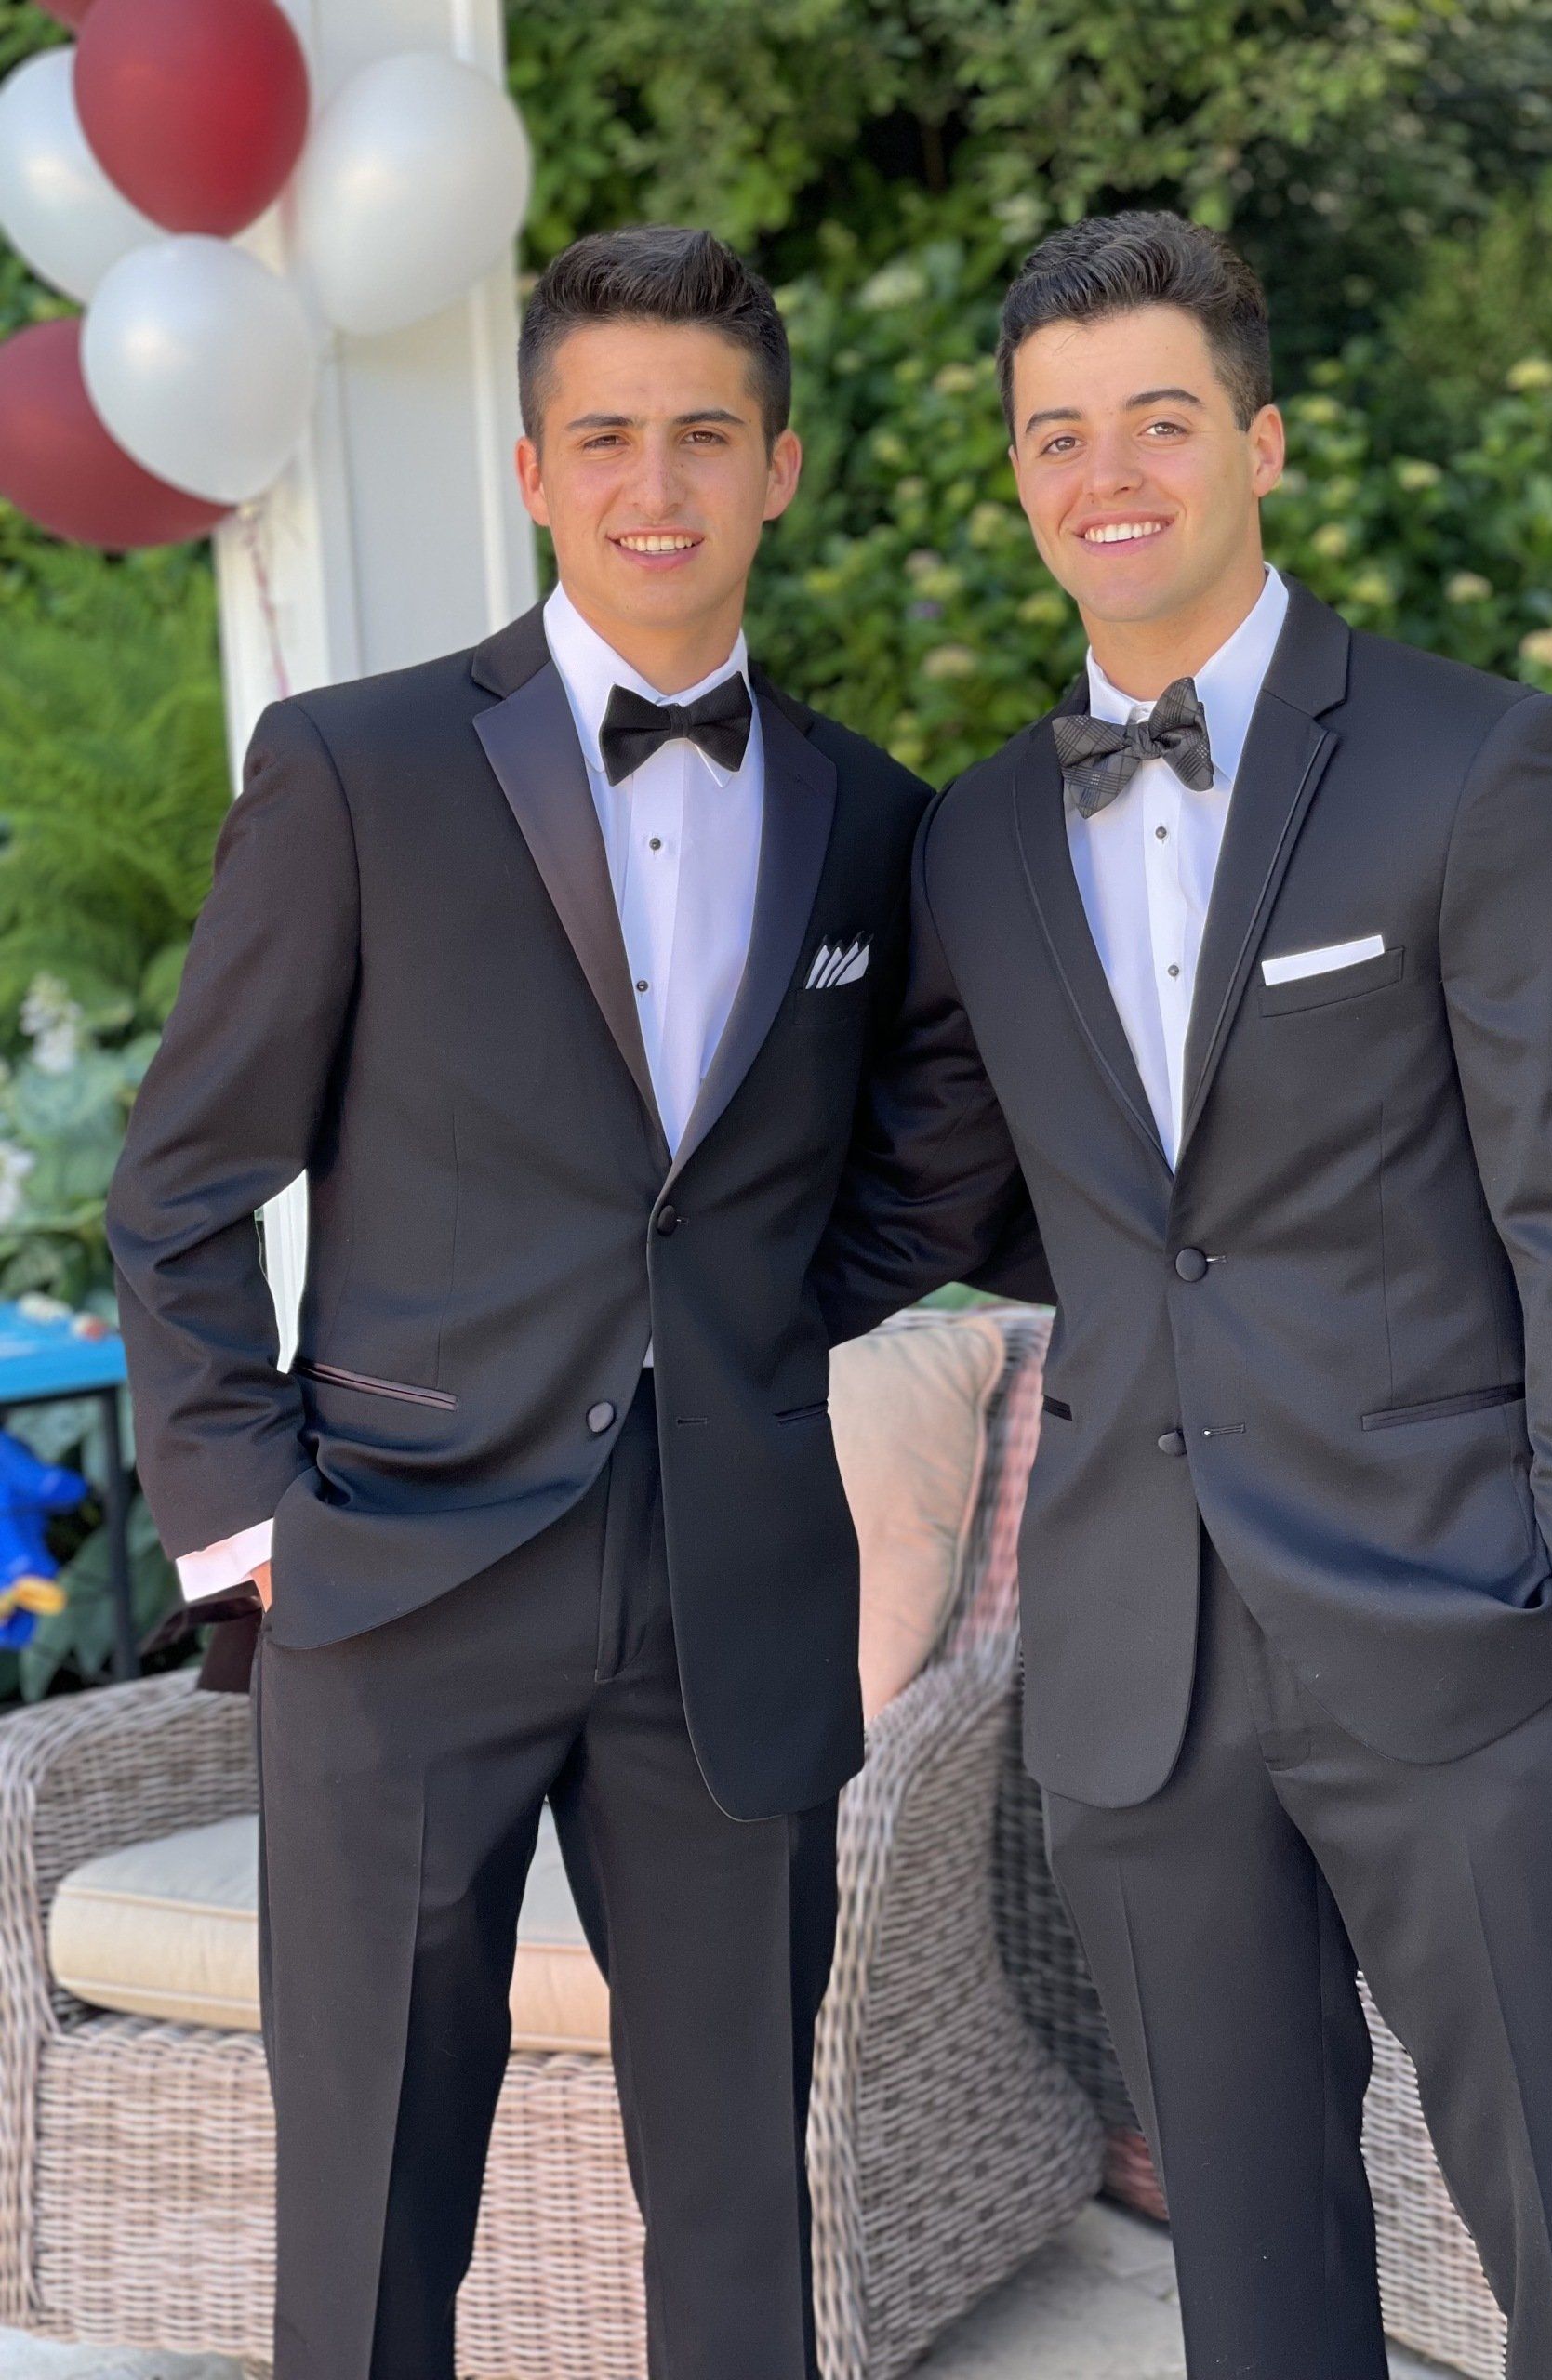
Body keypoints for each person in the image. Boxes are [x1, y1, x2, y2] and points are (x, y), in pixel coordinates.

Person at [817, 209, 1552, 2379]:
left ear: (1263, 441)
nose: (1107, 472)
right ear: (1019, 478)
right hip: (1142, 1666)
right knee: (1258, 2298)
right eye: (1056, 434)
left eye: (1160, 419)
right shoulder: (981, 837)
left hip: (1468, 1638)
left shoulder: (1473, 762)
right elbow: (988, 1193)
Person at [106, 225, 940, 2380]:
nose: (655, 480)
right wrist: (253, 1523)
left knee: (749, 2206)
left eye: (703, 434)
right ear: (536, 470)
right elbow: (185, 1184)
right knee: (373, 2208)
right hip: (393, 1583)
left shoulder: (870, 821)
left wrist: (746, 1338)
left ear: (778, 468)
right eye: (606, 437)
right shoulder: (356, 767)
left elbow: (895, 1172)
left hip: (731, 1596)